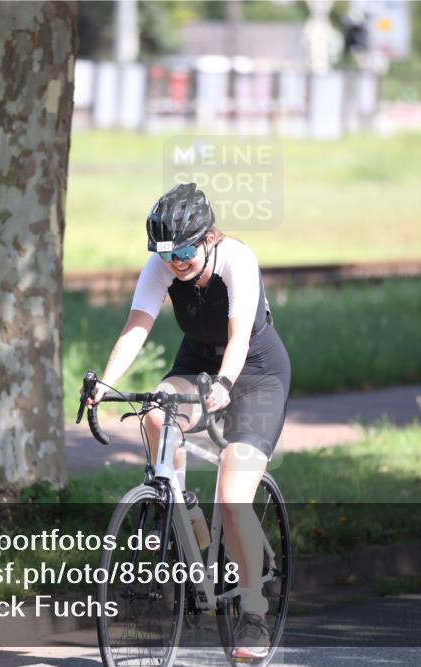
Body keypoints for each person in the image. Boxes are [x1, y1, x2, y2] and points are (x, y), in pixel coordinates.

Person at [87, 182, 291, 660]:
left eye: (183, 250)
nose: (175, 261)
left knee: (234, 497)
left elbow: (239, 338)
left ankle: (254, 612)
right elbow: (137, 327)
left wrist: (224, 386)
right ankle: (178, 506)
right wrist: (105, 383)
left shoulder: (237, 259)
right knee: (156, 412)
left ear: (207, 238)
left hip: (257, 374)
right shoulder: (161, 267)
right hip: (197, 363)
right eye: (165, 253)